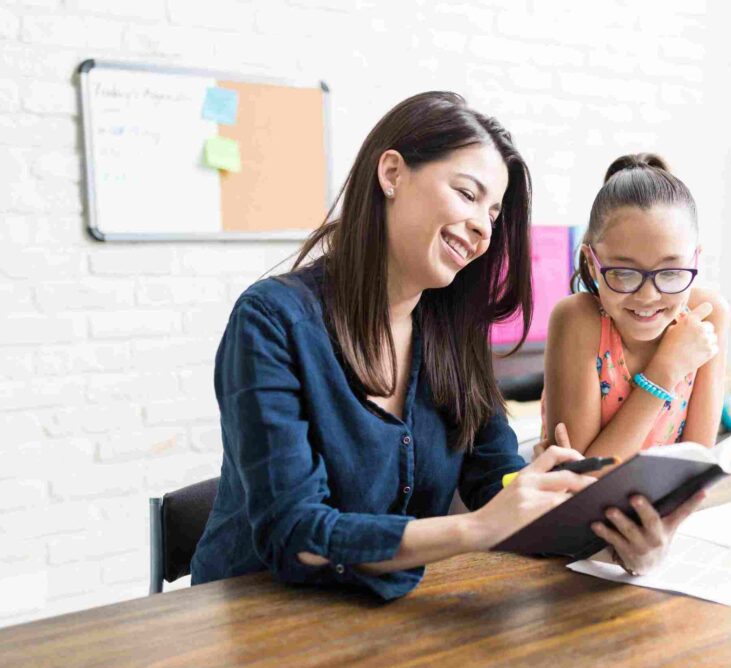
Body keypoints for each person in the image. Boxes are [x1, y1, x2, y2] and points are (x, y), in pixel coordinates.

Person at [191, 92, 596, 599]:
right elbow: (296, 534)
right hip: (250, 623)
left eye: (493, 214)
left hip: (384, 624)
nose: (483, 229)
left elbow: (494, 476)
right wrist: (472, 529)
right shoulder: (272, 322)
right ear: (392, 174)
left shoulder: (451, 334)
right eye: (468, 195)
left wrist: (570, 510)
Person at [542, 153, 731, 575]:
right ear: (593, 261)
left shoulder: (707, 315)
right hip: (572, 544)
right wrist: (665, 370)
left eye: (670, 273)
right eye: (624, 274)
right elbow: (583, 483)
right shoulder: (578, 320)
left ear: (695, 260)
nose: (648, 297)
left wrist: (656, 540)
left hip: (662, 537)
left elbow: (696, 468)